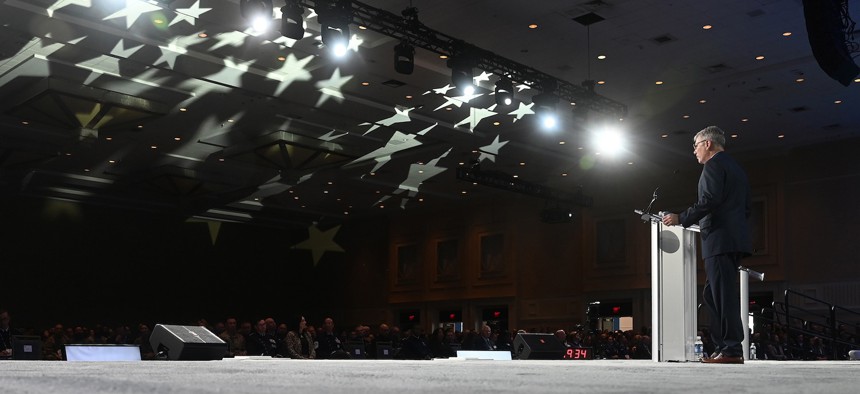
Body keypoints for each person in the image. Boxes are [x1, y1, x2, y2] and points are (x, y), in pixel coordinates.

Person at [662, 125, 751, 364]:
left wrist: (681, 218)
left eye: (696, 145)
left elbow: (709, 200)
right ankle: (725, 346)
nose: (694, 151)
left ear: (708, 144)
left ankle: (731, 350)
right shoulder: (737, 169)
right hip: (733, 238)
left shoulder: (713, 166)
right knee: (713, 294)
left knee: (722, 296)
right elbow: (745, 208)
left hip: (720, 239)